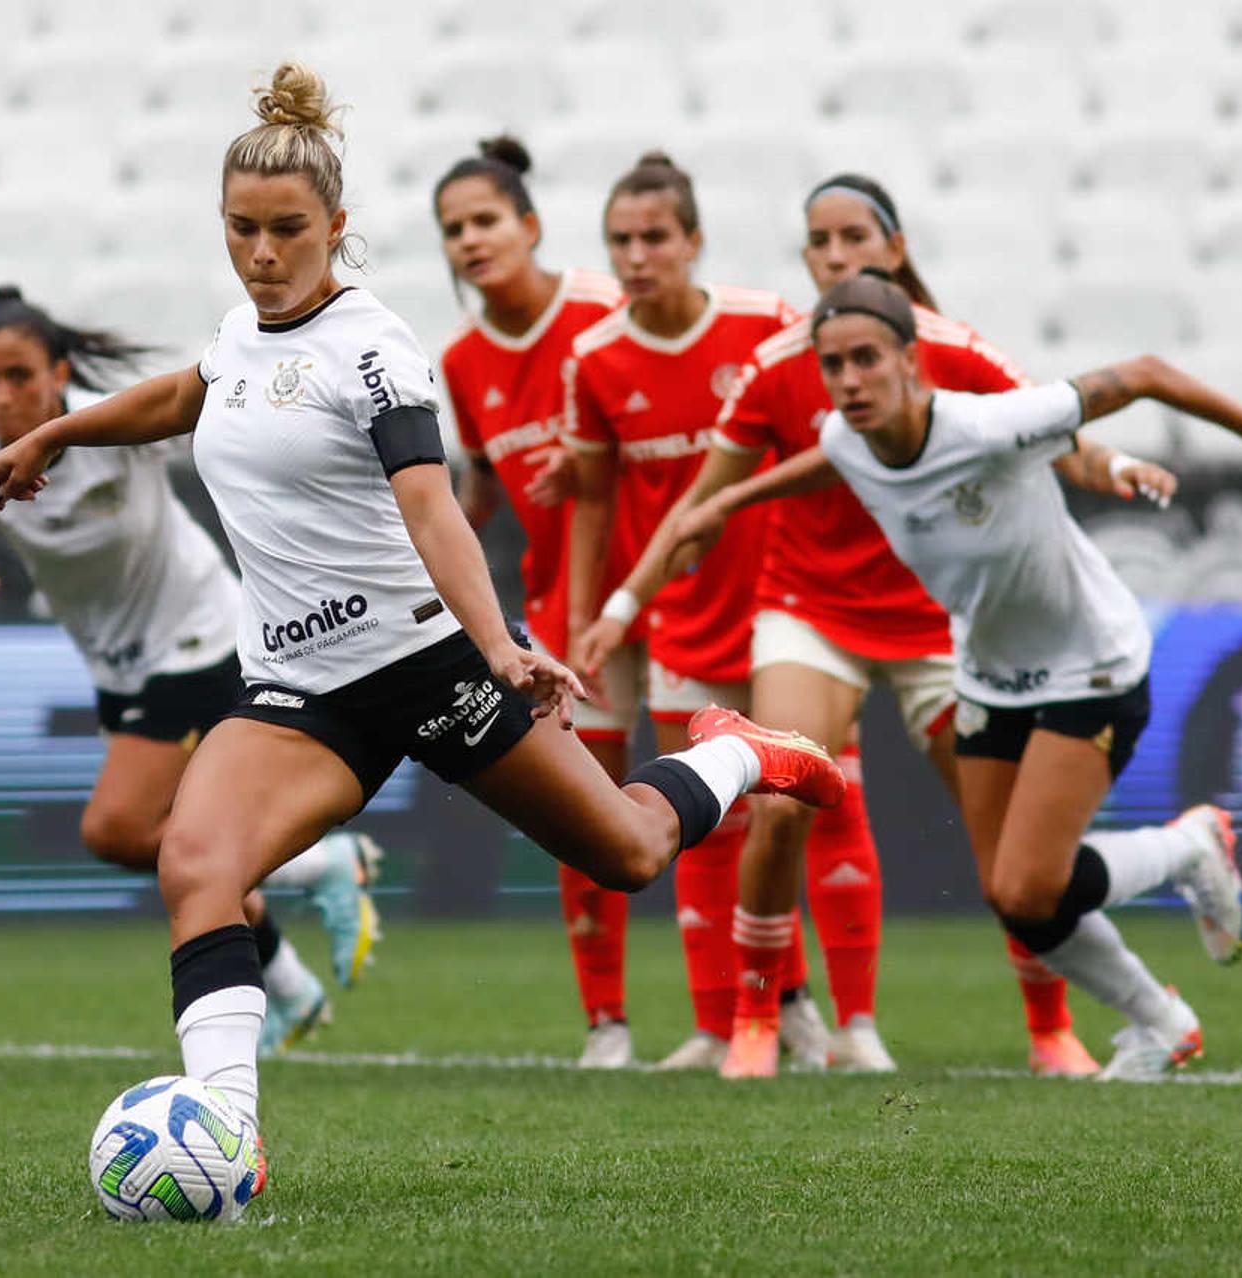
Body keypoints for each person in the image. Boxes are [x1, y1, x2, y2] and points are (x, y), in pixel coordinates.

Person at [0, 63, 846, 1171]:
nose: (260, 251)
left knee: (629, 851)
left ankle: (737, 754)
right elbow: (190, 391)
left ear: (335, 226)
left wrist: (500, 649)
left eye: (286, 229)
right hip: (301, 691)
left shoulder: (376, 349)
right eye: (240, 228)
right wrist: (58, 435)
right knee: (197, 864)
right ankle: (228, 1136)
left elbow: (432, 508)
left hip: (431, 662)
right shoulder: (241, 335)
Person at [670, 271, 1242, 1079]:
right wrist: (724, 504)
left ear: (912, 361)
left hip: (1088, 668)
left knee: (1031, 889)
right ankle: (1162, 1022)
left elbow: (1147, 374)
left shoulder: (993, 424)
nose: (850, 380)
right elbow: (825, 463)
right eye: (834, 364)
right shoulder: (849, 439)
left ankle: (1190, 850)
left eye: (867, 359)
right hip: (988, 675)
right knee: (1011, 892)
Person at [577, 175, 1178, 1079]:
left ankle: (1051, 1029)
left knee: (1005, 848)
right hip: (808, 610)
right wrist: (619, 610)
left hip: (941, 621)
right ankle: (754, 1021)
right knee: (780, 798)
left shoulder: (955, 355)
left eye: (854, 236)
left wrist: (1118, 462)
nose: (836, 255)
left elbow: (1063, 432)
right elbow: (707, 503)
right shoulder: (783, 363)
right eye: (818, 242)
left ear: (894, 250)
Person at [0, 285, 382, 1055]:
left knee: (118, 827)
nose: (3, 397)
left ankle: (320, 865)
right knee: (174, 846)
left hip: (202, 639)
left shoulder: (111, 429)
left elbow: (220, 422)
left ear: (60, 373)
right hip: (119, 669)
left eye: (19, 375)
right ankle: (292, 984)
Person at [556, 151, 810, 1072]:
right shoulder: (594, 357)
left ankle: (818, 1014)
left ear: (693, 241)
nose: (636, 255)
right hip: (680, 616)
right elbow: (594, 498)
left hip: (784, 605)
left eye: (654, 237)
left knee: (802, 807)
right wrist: (594, 616)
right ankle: (717, 1025)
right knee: (704, 817)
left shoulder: (766, 329)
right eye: (619, 240)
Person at [433, 135, 644, 1069]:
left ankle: (771, 1003)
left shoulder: (604, 310)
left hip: (664, 595)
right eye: (452, 230)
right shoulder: (460, 358)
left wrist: (601, 455)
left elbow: (671, 427)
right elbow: (474, 500)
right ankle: (607, 1024)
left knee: (728, 801)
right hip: (563, 606)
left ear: (529, 226)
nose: (470, 241)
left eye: (485, 221)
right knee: (584, 811)